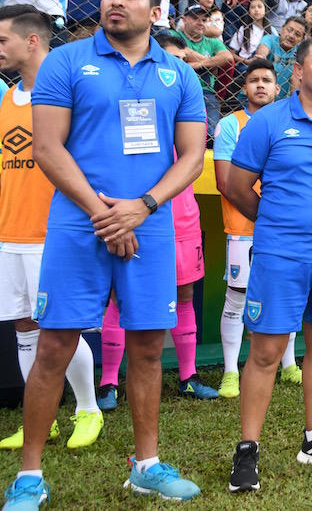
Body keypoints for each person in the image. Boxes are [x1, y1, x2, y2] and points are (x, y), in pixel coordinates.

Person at [3, 0, 206, 507]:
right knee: (54, 345)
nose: (117, 1)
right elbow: (47, 148)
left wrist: (142, 208)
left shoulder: (179, 74)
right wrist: (103, 214)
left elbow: (191, 156)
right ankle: (29, 476)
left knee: (145, 347)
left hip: (150, 226)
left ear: (154, 10)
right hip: (78, 224)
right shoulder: (67, 61)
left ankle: (147, 464)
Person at [226, 39, 312, 491]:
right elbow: (237, 186)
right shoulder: (268, 121)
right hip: (280, 254)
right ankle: (247, 450)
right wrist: (277, 223)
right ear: (297, 71)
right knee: (266, 353)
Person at [96, 33, 218, 410]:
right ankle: (109, 382)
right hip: (130, 208)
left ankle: (187, 376)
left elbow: (193, 155)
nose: (174, 69)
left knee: (184, 293)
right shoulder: (123, 97)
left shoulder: (190, 97)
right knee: (120, 294)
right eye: (169, 60)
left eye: (182, 60)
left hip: (180, 214)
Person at [0, 5, 102, 452]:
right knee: (25, 326)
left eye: (3, 40)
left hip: (53, 233)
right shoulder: (7, 98)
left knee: (58, 326)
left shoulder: (68, 94)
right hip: (9, 234)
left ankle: (87, 409)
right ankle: (39, 416)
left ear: (33, 41)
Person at [213, 59, 301, 399]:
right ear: (244, 88)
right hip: (244, 227)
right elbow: (225, 182)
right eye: (253, 80)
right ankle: (231, 371)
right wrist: (273, 213)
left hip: (286, 230)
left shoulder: (289, 121)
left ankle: (289, 362)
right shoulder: (230, 124)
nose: (261, 85)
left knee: (287, 294)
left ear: (278, 88)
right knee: (237, 298)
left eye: (267, 80)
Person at [173, 4, 235, 133]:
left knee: (212, 132)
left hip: (206, 91)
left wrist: (198, 64)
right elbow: (180, 49)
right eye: (196, 18)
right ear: (184, 19)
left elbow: (228, 57)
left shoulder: (212, 41)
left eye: (204, 20)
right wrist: (212, 63)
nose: (200, 23)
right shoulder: (174, 35)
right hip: (179, 87)